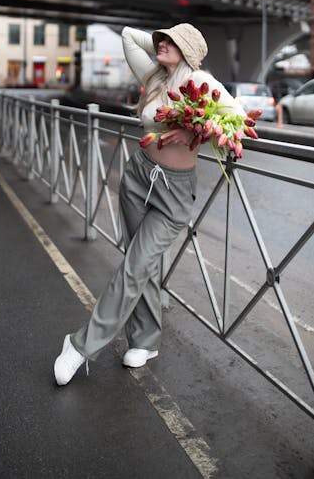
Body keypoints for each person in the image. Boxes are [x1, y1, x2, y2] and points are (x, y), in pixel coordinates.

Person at [54, 23, 245, 385]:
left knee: (134, 267)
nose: (161, 44)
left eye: (172, 41)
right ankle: (145, 340)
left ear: (189, 50)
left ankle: (80, 346)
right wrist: (162, 40)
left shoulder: (203, 84)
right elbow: (128, 35)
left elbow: (236, 125)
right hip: (138, 177)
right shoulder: (154, 77)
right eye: (162, 38)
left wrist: (197, 129)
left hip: (173, 191)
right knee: (141, 265)